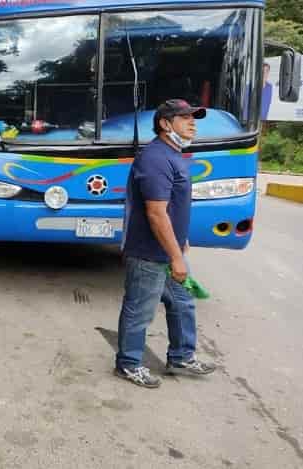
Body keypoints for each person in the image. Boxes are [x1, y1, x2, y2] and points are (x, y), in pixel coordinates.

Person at [115, 98, 216, 388]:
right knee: (140, 309)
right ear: (165, 123)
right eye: (184, 118)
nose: (192, 123)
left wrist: (180, 245)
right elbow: (156, 213)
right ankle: (129, 364)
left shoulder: (173, 155)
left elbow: (172, 208)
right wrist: (176, 257)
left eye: (193, 118)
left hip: (167, 250)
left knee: (183, 304)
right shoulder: (156, 158)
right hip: (150, 253)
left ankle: (181, 357)